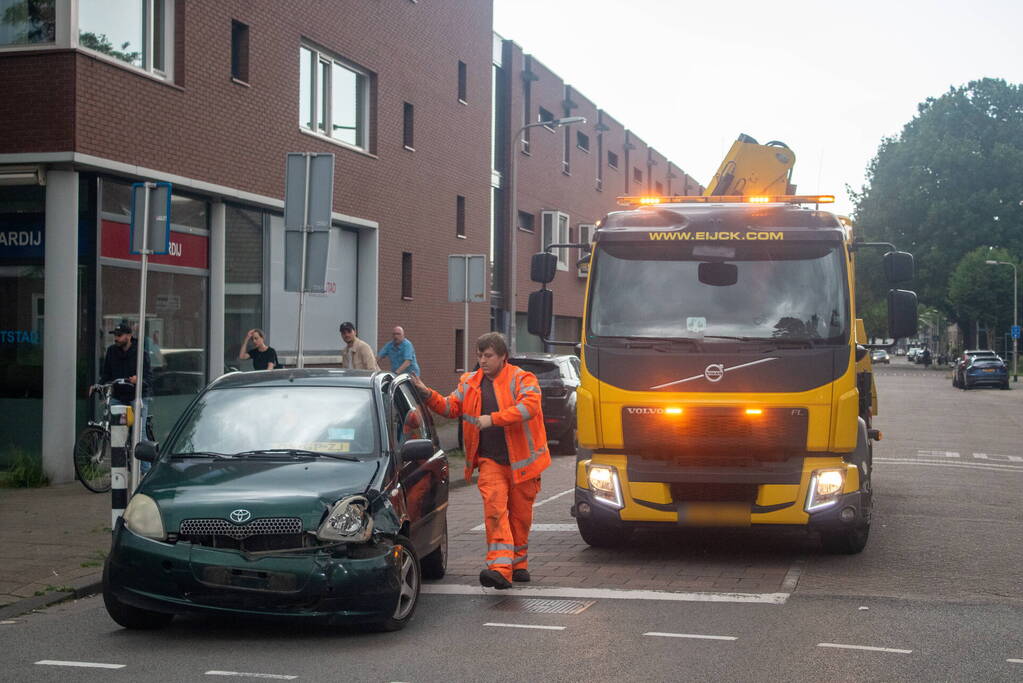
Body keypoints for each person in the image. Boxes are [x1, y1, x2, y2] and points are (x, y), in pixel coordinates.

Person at [409, 332, 549, 590]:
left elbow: (530, 406)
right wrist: (426, 393)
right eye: (479, 355)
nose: (482, 360)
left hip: (524, 465)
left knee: (520, 517)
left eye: (488, 356)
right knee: (495, 511)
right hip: (489, 461)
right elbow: (450, 407)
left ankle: (519, 565)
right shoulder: (470, 382)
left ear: (502, 357)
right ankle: (500, 569)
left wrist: (493, 418)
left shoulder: (522, 379)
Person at [97, 322, 154, 467]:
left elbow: (149, 376)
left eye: (119, 335)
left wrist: (139, 380)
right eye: (115, 335)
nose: (116, 338)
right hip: (119, 396)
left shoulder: (140, 352)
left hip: (137, 395)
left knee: (139, 434)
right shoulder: (111, 351)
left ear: (129, 336)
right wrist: (99, 385)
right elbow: (106, 374)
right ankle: (120, 470)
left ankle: (144, 471)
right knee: (118, 433)